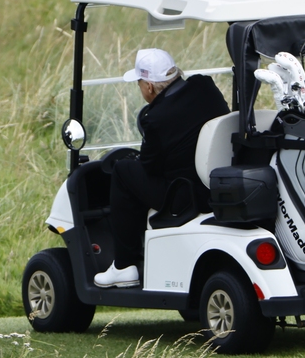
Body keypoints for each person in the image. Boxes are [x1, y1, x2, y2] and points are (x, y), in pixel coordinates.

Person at [93, 48, 229, 288]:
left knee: (124, 171)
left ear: (149, 86)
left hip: (185, 195)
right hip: (218, 181)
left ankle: (124, 265)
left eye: (139, 84)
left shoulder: (154, 118)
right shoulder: (204, 86)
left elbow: (149, 167)